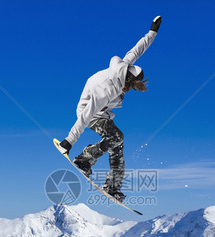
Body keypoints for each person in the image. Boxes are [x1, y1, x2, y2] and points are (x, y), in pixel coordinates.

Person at [57, 16, 162, 203]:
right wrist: (68, 142)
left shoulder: (123, 68)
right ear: (129, 80)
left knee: (117, 144)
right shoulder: (107, 88)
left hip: (101, 113)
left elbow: (137, 50)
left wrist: (152, 32)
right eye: (133, 86)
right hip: (89, 113)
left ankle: (112, 187)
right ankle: (83, 160)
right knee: (116, 137)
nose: (130, 90)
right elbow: (86, 115)